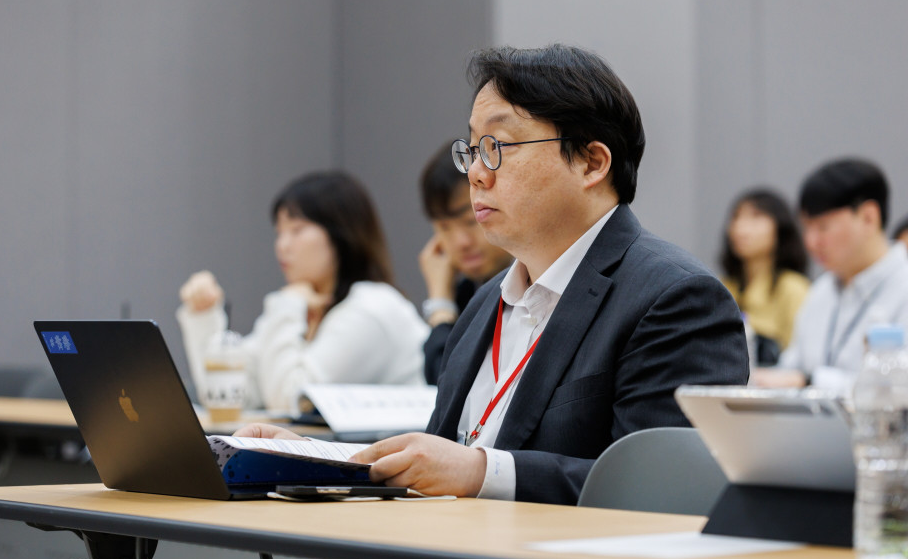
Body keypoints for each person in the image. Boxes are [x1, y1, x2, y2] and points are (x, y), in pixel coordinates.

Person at [236, 44, 749, 505]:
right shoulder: (486, 303)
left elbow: (660, 494)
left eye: (497, 147)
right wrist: (321, 459)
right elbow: (441, 461)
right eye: (473, 149)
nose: (477, 174)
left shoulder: (675, 298)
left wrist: (483, 473)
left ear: (592, 163)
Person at [178, 171, 428, 413]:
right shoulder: (306, 304)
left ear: (341, 234)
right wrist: (204, 316)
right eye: (279, 233)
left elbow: (288, 399)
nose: (282, 245)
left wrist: (288, 303)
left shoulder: (371, 307)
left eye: (296, 230)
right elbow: (231, 395)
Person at [751, 158, 908, 392]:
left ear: (869, 217)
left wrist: (810, 381)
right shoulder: (821, 291)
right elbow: (791, 368)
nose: (811, 242)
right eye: (806, 227)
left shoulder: (902, 287)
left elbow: (898, 390)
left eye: (822, 227)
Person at [418, 144, 514, 385]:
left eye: (470, 221)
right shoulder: (467, 291)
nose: (461, 242)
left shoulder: (525, 284)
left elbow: (453, 384)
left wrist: (440, 306)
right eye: (444, 227)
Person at [719, 188, 810, 365]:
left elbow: (801, 359)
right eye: (736, 217)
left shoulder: (794, 288)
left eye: (756, 217)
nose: (740, 228)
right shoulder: (723, 287)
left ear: (780, 227)